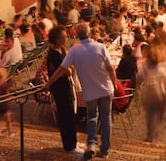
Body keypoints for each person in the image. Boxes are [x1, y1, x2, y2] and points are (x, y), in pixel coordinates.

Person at [45, 23, 116, 159]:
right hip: (105, 89)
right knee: (105, 119)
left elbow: (62, 69)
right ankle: (104, 151)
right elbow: (111, 69)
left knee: (91, 117)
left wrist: (48, 83)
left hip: (89, 92)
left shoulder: (74, 50)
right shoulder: (100, 47)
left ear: (77, 35)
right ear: (90, 34)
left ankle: (91, 145)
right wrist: (115, 83)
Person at [46, 25, 84, 154]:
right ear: (56, 39)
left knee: (70, 115)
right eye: (63, 37)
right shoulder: (53, 55)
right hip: (59, 88)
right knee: (65, 116)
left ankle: (73, 141)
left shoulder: (61, 50)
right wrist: (67, 70)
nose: (65, 39)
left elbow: (69, 68)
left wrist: (68, 69)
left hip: (66, 85)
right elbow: (64, 71)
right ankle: (69, 145)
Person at [137, 44, 166, 142]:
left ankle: (150, 136)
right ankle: (158, 133)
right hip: (160, 93)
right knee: (159, 114)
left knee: (149, 116)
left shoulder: (142, 66)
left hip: (148, 94)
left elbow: (139, 80)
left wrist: (138, 90)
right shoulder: (161, 68)